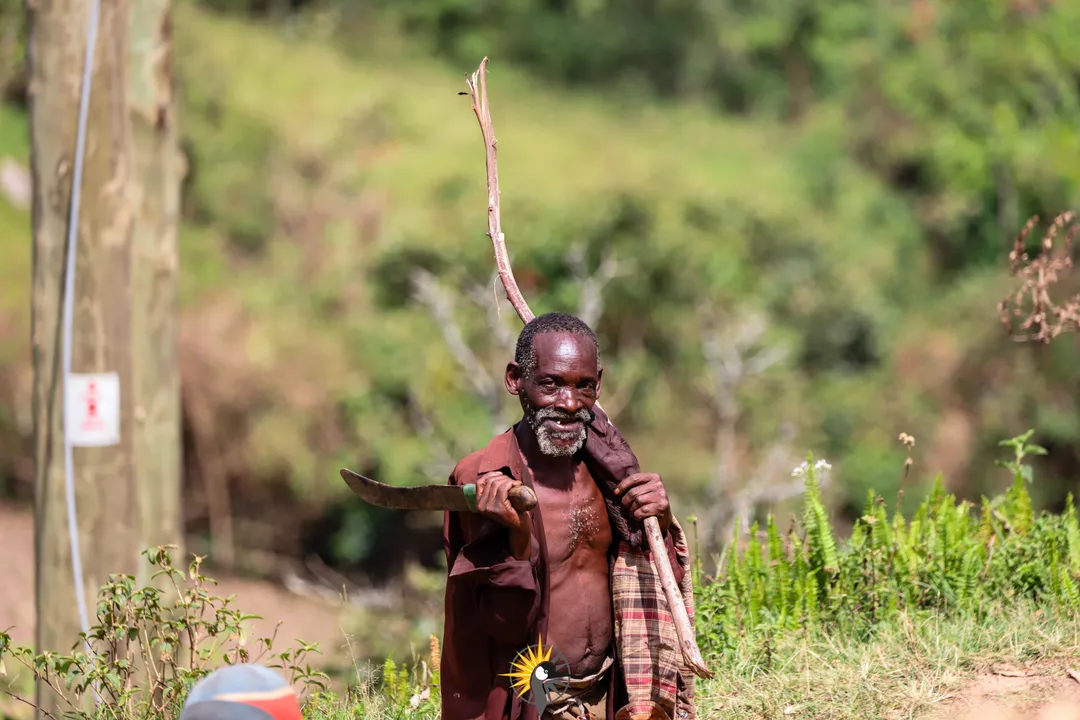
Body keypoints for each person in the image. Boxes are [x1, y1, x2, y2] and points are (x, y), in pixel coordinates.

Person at [441, 312, 696, 720]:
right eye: (551, 384)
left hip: (611, 686)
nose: (569, 404)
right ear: (514, 380)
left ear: (599, 383)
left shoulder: (611, 468)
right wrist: (517, 538)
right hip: (534, 695)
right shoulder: (488, 479)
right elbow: (500, 625)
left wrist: (659, 522)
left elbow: (657, 577)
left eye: (584, 387)